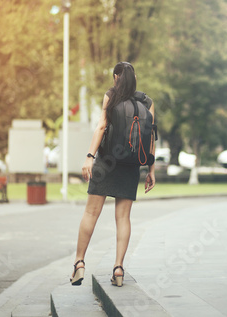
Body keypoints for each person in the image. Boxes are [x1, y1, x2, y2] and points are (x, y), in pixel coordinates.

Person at [70, 62, 156, 287]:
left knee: (91, 213)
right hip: (131, 166)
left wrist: (89, 156)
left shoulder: (111, 96)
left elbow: (101, 127)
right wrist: (151, 170)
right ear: (134, 77)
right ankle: (118, 269)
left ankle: (79, 262)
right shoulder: (147, 102)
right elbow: (151, 139)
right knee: (123, 218)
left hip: (107, 162)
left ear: (117, 77)